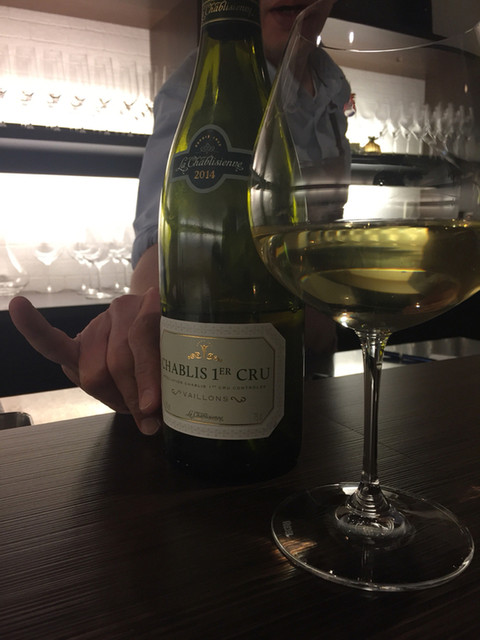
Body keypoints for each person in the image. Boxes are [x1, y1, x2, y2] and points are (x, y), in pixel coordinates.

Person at [9, 0, 342, 436]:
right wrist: (142, 319)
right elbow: (170, 233)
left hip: (320, 373)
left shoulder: (332, 85)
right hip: (249, 374)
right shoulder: (201, 86)